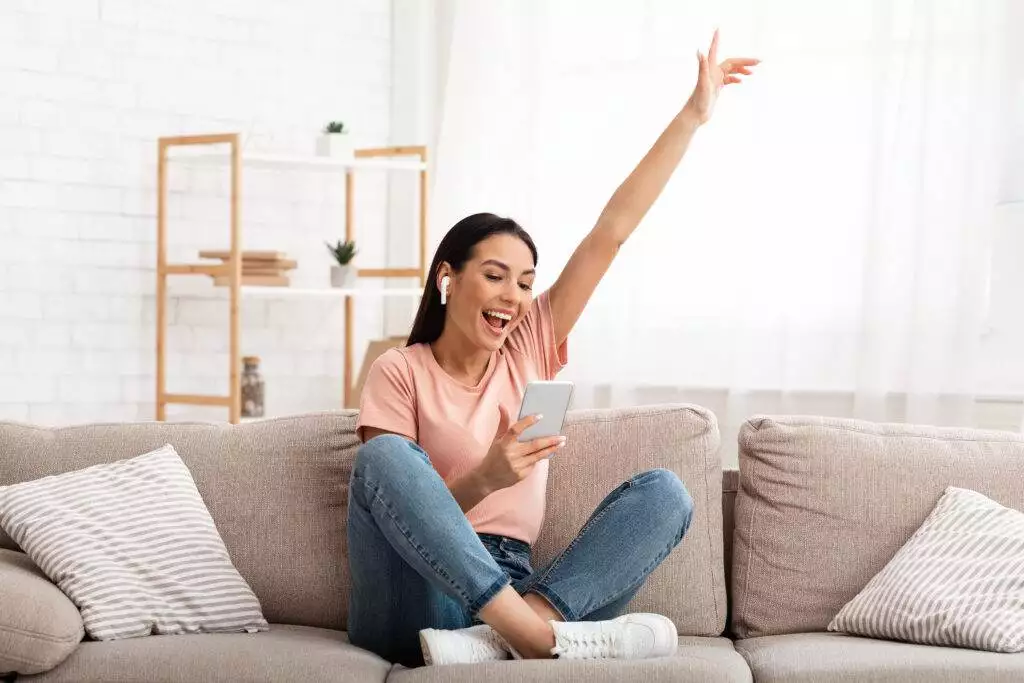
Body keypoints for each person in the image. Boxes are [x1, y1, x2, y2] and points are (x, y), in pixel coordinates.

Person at [348, 30, 758, 667]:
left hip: (518, 580)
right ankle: (535, 638)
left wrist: (692, 117)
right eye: (494, 275)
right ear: (447, 277)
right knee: (387, 464)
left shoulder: (528, 347)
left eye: (526, 281)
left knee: (666, 495)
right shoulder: (399, 372)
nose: (513, 296)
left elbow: (609, 234)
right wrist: (486, 477)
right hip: (420, 588)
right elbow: (399, 515)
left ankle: (504, 637)